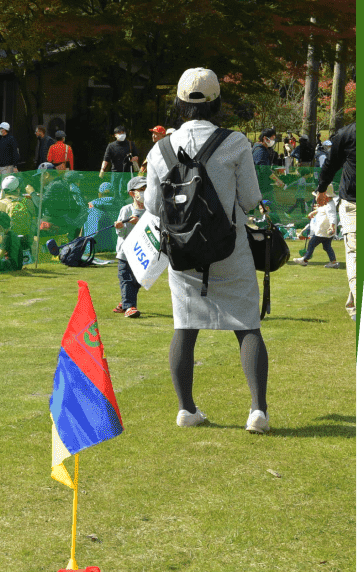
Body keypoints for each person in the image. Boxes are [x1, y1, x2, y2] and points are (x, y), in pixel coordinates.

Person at [145, 67, 269, 433]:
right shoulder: (235, 143)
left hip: (182, 252)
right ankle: (257, 411)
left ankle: (187, 409)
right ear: (216, 102)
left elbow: (153, 204)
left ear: (180, 103)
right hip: (229, 248)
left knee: (185, 326)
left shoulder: (160, 148)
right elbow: (248, 198)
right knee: (247, 325)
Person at [315, 120, 357, 319]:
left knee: (355, 255)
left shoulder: (348, 133)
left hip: (353, 203)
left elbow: (331, 164)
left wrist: (322, 189)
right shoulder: (347, 134)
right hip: (352, 203)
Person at [112, 176, 147, 318]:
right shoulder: (126, 210)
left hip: (143, 253)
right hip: (125, 253)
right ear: (132, 193)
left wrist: (139, 222)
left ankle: (125, 302)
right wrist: (120, 227)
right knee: (126, 278)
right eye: (142, 189)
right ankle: (130, 307)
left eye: (147, 189)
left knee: (137, 281)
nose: (145, 192)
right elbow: (122, 234)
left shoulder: (152, 211)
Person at [292, 188, 341, 268]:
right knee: (327, 247)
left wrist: (332, 227)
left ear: (325, 196)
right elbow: (321, 209)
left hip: (323, 230)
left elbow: (332, 216)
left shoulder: (329, 205)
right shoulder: (327, 203)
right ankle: (333, 262)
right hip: (325, 231)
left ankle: (304, 260)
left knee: (312, 243)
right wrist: (313, 212)